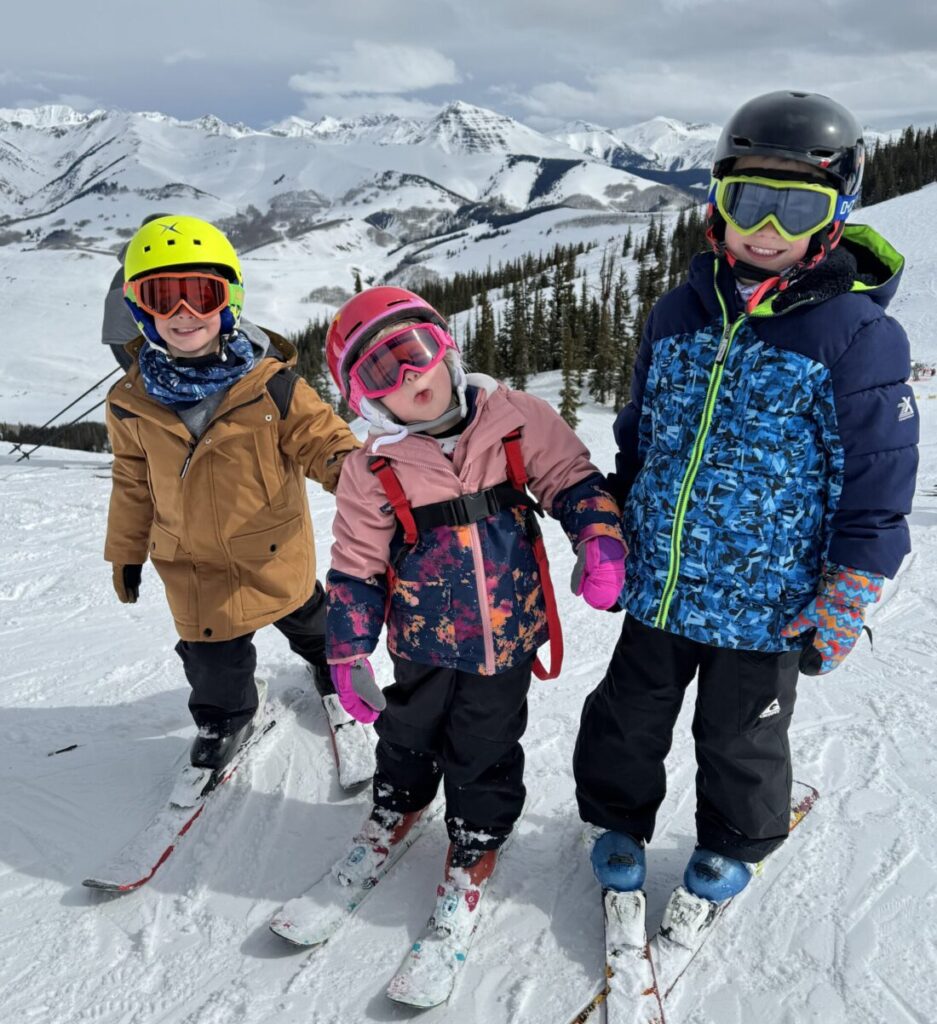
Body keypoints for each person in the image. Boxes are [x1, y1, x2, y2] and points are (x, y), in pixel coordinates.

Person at [574, 91, 919, 915]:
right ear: (717, 206)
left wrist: (853, 585)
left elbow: (878, 479)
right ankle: (616, 821)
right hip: (659, 584)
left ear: (834, 215)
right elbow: (640, 433)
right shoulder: (676, 311)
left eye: (794, 206)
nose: (766, 226)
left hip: (766, 605)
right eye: (748, 200)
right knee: (625, 719)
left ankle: (732, 842)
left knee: (741, 737)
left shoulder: (855, 335)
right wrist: (614, 519)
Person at [317, 286, 626, 945]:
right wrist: (346, 651)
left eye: (414, 351)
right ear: (365, 398)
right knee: (408, 727)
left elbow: (572, 478)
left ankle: (477, 835)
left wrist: (598, 538)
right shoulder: (371, 469)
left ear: (444, 348)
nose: (409, 377)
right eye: (380, 371)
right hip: (422, 639)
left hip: (506, 635)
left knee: (485, 742)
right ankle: (399, 802)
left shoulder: (516, 420)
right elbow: (356, 566)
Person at [103, 214, 365, 778]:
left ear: (229, 299)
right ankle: (225, 718)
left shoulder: (271, 384)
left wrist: (366, 483)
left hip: (275, 552)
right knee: (213, 669)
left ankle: (329, 667)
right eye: (162, 298)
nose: (183, 314)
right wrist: (125, 551)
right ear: (139, 308)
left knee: (313, 622)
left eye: (200, 295)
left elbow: (326, 441)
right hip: (193, 566)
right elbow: (132, 481)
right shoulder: (130, 401)